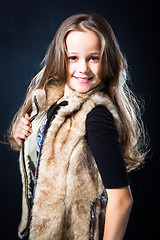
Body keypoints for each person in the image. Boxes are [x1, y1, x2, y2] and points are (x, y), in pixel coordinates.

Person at [8, 13, 148, 240]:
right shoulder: (53, 103)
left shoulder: (96, 117)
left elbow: (122, 200)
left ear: (108, 61)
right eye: (73, 58)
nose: (83, 68)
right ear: (59, 59)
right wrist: (26, 134)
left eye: (94, 58)